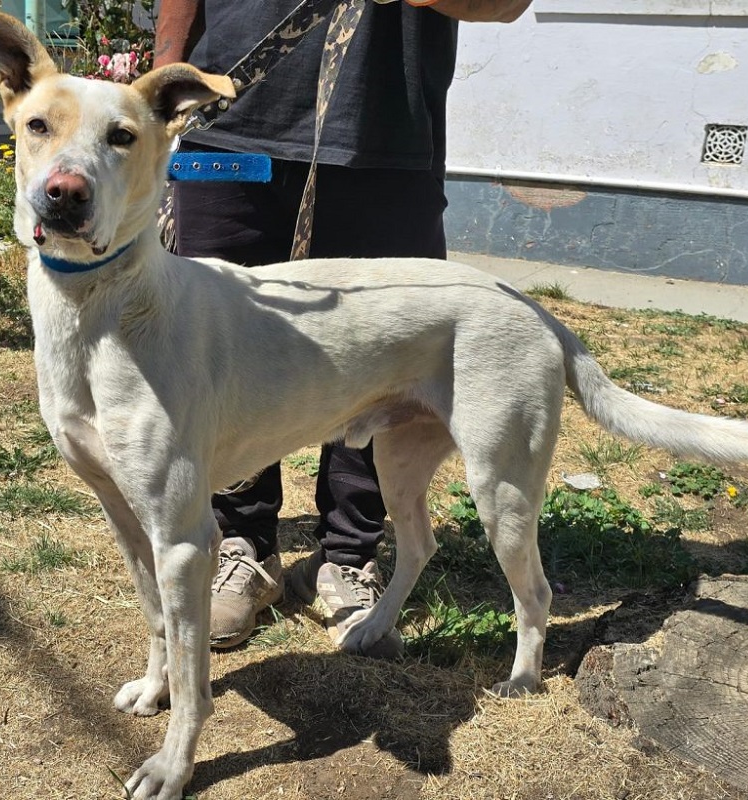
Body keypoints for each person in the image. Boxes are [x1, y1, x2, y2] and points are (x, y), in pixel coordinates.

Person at [154, 0, 532, 656]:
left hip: (384, 142)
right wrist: (161, 89)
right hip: (228, 132)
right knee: (215, 358)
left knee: (382, 359)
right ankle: (243, 543)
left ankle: (350, 551)